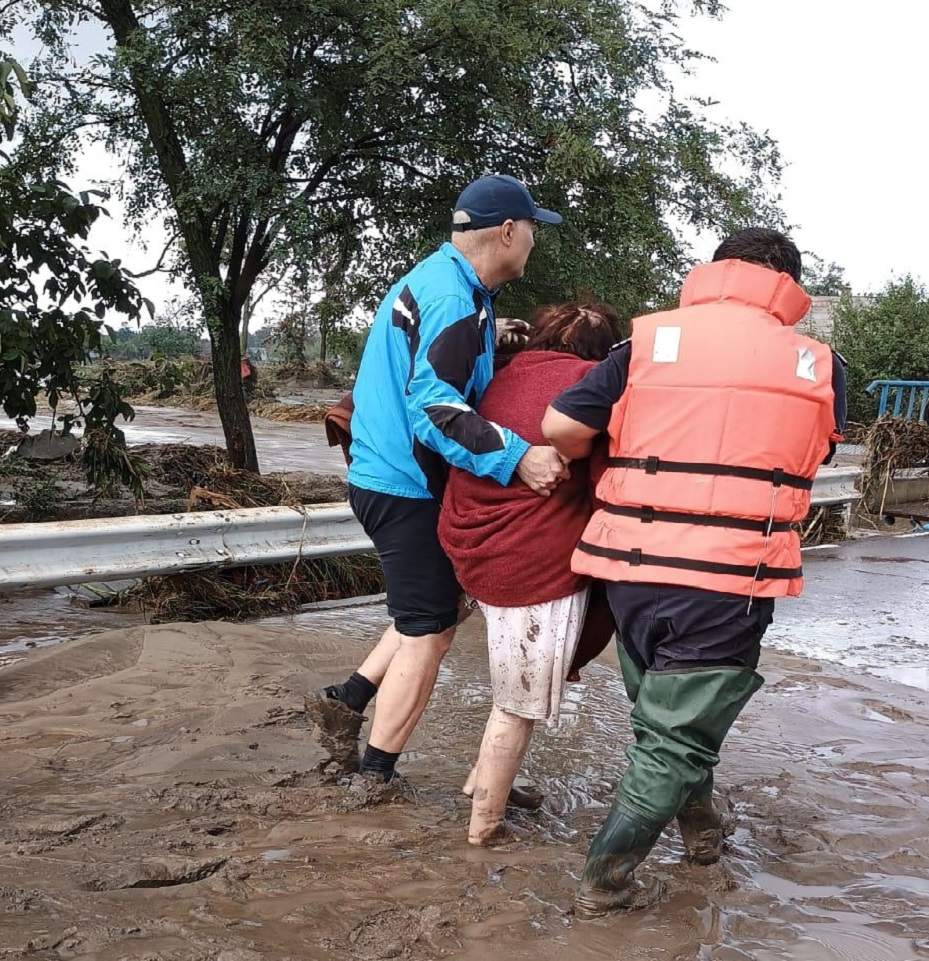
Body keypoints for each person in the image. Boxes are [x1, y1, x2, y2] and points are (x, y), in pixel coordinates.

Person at [541, 228, 847, 919]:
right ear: (787, 285)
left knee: (668, 719)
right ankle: (604, 880)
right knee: (676, 734)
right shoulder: (820, 363)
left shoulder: (645, 341)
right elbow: (817, 452)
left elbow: (561, 426)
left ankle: (701, 832)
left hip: (630, 569)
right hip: (730, 576)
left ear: (715, 271)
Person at [306, 175, 570, 786]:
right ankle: (374, 776)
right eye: (532, 229)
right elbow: (435, 409)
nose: (533, 241)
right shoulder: (455, 301)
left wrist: (491, 338)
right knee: (429, 633)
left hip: (383, 474)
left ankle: (345, 702)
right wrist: (517, 457)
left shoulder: (448, 284)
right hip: (406, 486)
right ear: (507, 231)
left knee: (430, 609)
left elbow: (429, 358)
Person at [436, 303, 622, 845]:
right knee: (516, 705)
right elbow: (607, 479)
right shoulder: (590, 387)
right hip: (529, 563)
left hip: (468, 548)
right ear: (604, 353)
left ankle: (487, 782)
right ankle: (482, 831)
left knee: (515, 686)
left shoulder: (497, 373)